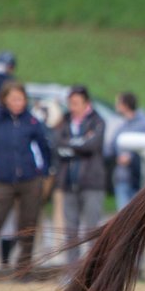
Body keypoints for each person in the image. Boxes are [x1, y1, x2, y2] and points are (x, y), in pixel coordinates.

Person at [0, 81, 52, 277]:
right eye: (14, 99)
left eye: (21, 99)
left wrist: (43, 170)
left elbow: (44, 146)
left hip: (29, 179)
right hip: (3, 180)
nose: (18, 103)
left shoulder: (31, 121)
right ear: (5, 100)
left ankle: (23, 266)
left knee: (28, 224)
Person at [54, 84, 107, 264]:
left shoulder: (98, 121)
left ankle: (91, 268)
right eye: (70, 103)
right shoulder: (65, 120)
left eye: (76, 103)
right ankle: (72, 269)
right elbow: (57, 145)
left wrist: (70, 146)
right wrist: (80, 143)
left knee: (91, 229)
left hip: (91, 182)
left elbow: (92, 146)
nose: (72, 107)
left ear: (86, 103)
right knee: (70, 230)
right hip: (69, 182)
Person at [109, 91, 145, 210]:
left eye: (118, 103)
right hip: (123, 178)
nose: (116, 106)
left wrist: (132, 157)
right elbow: (110, 148)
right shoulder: (122, 125)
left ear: (125, 105)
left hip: (140, 178)